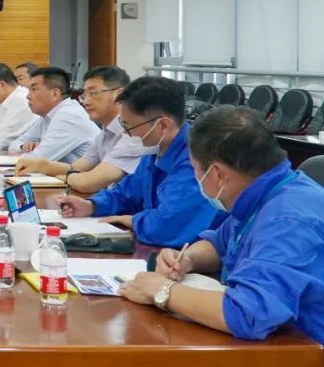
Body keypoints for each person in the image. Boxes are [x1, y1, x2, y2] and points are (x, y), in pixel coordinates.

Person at [120, 106, 324, 367]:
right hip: (260, 362)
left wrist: (162, 291)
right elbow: (221, 242)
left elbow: (248, 313)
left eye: (196, 171)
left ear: (216, 173)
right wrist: (188, 259)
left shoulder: (288, 220)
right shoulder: (268, 189)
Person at [58, 76, 221, 247]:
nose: (126, 134)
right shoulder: (154, 150)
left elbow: (166, 226)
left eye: (130, 127)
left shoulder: (196, 159)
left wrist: (132, 220)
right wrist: (91, 205)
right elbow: (125, 194)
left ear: (163, 125)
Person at [15, 66, 145, 193]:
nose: (86, 101)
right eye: (85, 95)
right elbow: (76, 167)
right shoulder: (106, 132)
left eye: (93, 93)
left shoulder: (134, 133)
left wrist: (63, 177)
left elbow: (88, 182)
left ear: (119, 94)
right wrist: (41, 165)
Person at [11, 66, 98, 163]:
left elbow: (36, 160)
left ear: (55, 94)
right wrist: (23, 146)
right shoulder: (47, 116)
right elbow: (14, 145)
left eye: (34, 89)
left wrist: (32, 151)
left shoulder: (69, 115)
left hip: (87, 172)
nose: (28, 96)